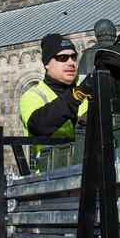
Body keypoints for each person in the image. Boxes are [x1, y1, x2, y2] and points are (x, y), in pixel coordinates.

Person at [19, 34, 90, 171]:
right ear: (46, 64)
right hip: (51, 177)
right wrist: (75, 96)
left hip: (89, 170)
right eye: (62, 58)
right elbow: (38, 125)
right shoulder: (33, 95)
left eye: (73, 57)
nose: (71, 62)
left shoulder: (86, 85)